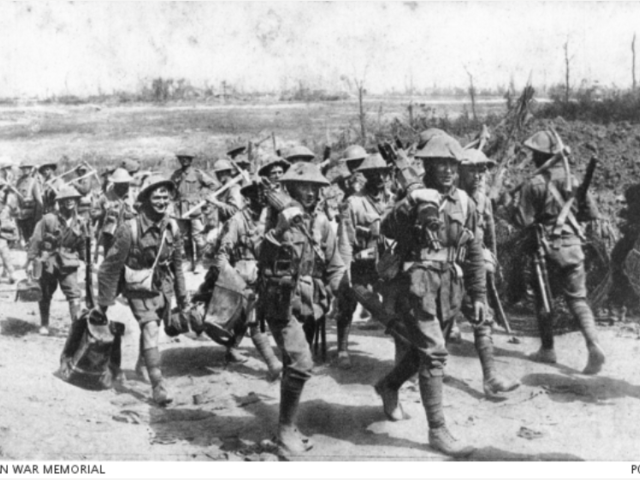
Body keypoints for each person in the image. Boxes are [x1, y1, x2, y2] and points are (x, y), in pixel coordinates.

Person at [373, 134, 485, 458]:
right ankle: (438, 430)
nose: (447, 171)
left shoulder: (465, 202)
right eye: (440, 165)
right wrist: (409, 205)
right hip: (417, 286)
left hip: (449, 286)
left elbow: (474, 249)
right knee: (434, 354)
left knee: (422, 354)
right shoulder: (414, 197)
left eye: (452, 164)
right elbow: (386, 228)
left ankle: (389, 385)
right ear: (428, 166)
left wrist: (478, 295)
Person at [258, 162, 347, 454]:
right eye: (304, 186)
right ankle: (284, 432)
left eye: (315, 187)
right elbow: (257, 255)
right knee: (300, 363)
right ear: (291, 187)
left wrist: (339, 291)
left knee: (295, 364)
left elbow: (334, 264)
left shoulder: (320, 221)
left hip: (309, 302)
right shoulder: (273, 215)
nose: (310, 192)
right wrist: (280, 229)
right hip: (279, 299)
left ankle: (288, 425)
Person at [510, 130, 605, 374]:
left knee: (544, 298)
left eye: (534, 154)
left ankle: (548, 349)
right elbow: (590, 214)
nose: (532, 158)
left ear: (540, 156)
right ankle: (593, 344)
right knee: (578, 300)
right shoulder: (572, 180)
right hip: (573, 247)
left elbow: (523, 220)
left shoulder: (534, 184)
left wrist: (510, 206)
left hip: (546, 250)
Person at [97, 175, 187, 405]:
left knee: (153, 328)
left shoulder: (173, 227)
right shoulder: (129, 229)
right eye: (156, 196)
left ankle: (141, 364)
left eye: (165, 196)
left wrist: (183, 299)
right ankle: (158, 386)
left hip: (162, 289)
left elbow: (177, 265)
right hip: (138, 288)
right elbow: (109, 267)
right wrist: (103, 304)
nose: (161, 201)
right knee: (150, 327)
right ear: (146, 199)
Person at [193, 179, 283, 375]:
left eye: (264, 199)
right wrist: (232, 281)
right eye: (258, 198)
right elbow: (222, 256)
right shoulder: (237, 221)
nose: (263, 202)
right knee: (253, 321)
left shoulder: (268, 220)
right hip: (241, 279)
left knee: (249, 318)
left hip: (263, 277)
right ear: (248, 200)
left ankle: (232, 350)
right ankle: (272, 363)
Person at [457, 148, 519, 397]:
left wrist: (493, 256)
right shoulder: (453, 197)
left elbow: (490, 230)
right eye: (473, 169)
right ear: (460, 170)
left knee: (481, 313)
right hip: (451, 266)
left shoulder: (482, 199)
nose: (479, 174)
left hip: (475, 265)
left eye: (482, 169)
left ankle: (491, 376)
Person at [335, 153, 394, 368]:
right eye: (373, 173)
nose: (379, 177)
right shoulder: (354, 202)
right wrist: (344, 270)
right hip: (361, 264)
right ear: (366, 175)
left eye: (383, 173)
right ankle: (342, 349)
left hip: (387, 265)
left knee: (394, 306)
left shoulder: (392, 200)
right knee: (347, 303)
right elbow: (345, 238)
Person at [26, 186, 89, 336]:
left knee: (74, 294)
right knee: (45, 293)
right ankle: (44, 324)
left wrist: (87, 261)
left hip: (68, 263)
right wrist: (30, 260)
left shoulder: (80, 222)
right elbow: (36, 239)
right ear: (59, 202)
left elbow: (82, 243)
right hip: (50, 262)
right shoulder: (48, 219)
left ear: (77, 201)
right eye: (65, 199)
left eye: (72, 199)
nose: (69, 202)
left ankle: (76, 329)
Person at [170, 149, 219, 272]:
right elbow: (171, 189)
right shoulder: (176, 174)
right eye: (181, 158)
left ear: (191, 160)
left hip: (195, 209)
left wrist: (202, 197)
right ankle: (189, 261)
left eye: (186, 157)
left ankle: (199, 263)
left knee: (198, 237)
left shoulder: (198, 173)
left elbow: (213, 185)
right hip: (180, 210)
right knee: (184, 237)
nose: (184, 160)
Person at [92, 168, 136, 256]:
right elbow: (93, 213)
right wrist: (104, 212)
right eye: (122, 184)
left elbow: (137, 213)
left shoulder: (132, 197)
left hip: (127, 235)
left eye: (126, 183)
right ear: (116, 184)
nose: (125, 186)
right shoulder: (105, 197)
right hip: (109, 236)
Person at [208, 158, 245, 224]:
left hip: (234, 225)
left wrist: (215, 202)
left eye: (222, 172)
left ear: (228, 172)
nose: (219, 175)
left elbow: (235, 211)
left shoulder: (235, 188)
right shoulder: (220, 189)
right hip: (222, 223)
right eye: (217, 173)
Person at [15, 159, 43, 242]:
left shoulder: (33, 181)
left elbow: (39, 200)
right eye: (23, 168)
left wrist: (38, 217)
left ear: (31, 169)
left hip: (31, 215)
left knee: (32, 237)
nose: (25, 170)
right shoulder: (19, 181)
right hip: (20, 214)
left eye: (27, 168)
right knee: (25, 236)